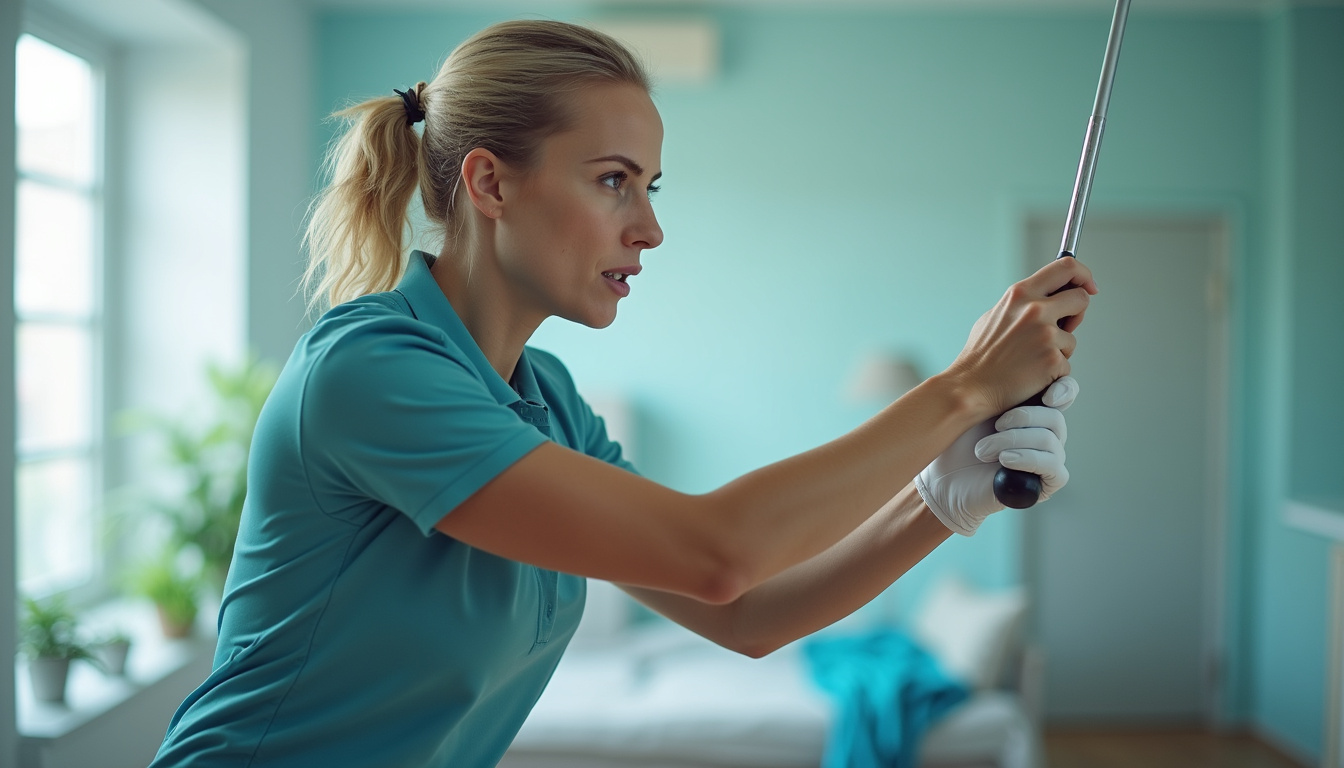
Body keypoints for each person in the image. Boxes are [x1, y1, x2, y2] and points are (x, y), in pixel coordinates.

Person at [150, 19, 1096, 768]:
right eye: (614, 181)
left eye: (651, 187)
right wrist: (962, 389)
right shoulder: (370, 371)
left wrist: (940, 502)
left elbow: (744, 613)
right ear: (490, 183)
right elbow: (717, 553)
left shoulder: (547, 399)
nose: (648, 228)